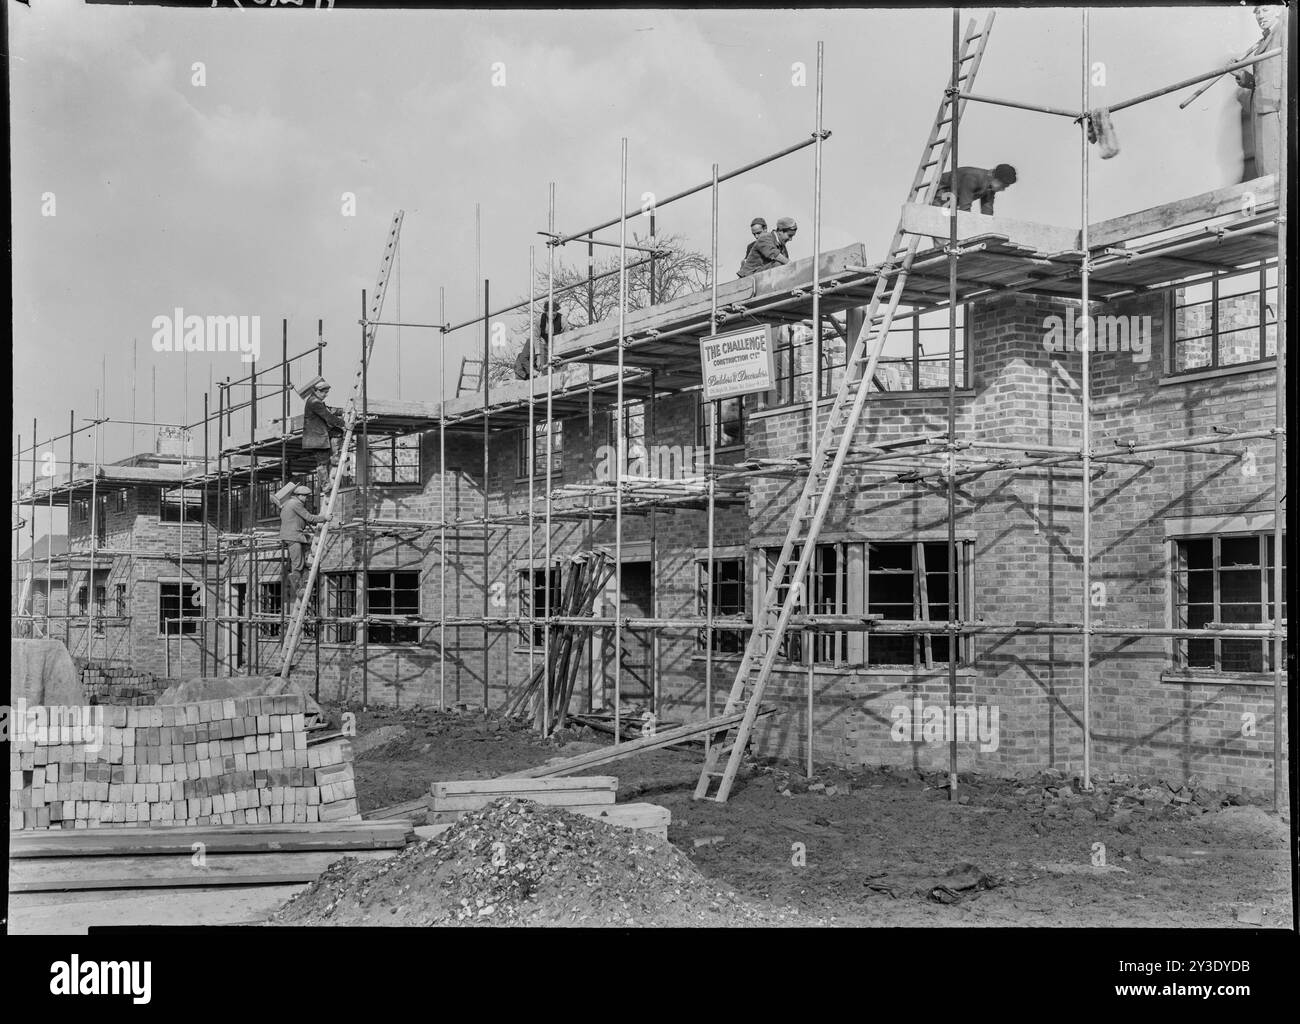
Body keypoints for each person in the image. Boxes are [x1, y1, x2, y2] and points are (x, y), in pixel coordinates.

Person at [1233, 5, 1287, 180]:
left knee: (1274, 168)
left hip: (1276, 107)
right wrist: (1241, 74)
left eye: (1265, 10)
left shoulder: (1286, 32)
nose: (1259, 15)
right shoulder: (1264, 41)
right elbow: (1265, 79)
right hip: (1262, 107)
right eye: (1256, 12)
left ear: (1279, 10)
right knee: (1265, 166)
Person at [278, 484, 328, 606]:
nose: (306, 498)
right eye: (304, 496)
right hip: (293, 536)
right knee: (297, 564)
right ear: (298, 495)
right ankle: (299, 590)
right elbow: (309, 517)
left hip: (296, 535)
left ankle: (306, 566)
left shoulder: (289, 503)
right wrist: (325, 518)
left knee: (308, 547)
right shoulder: (295, 504)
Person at [297, 375, 347, 492]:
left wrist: (341, 410)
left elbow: (329, 410)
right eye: (324, 393)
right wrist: (344, 423)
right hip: (317, 439)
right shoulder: (314, 402)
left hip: (320, 436)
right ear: (317, 391)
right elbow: (328, 416)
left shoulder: (316, 401)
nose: (325, 395)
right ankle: (325, 484)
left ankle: (335, 457)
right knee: (322, 462)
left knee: (338, 432)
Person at [932, 164, 1018, 214]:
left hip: (953, 201)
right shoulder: (973, 178)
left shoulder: (990, 187)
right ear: (996, 179)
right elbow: (965, 207)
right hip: (939, 196)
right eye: (1003, 186)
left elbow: (987, 210)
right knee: (943, 230)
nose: (1003, 189)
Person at [515, 300, 564, 379]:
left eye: (555, 311)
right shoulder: (531, 342)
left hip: (537, 374)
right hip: (523, 372)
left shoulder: (548, 346)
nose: (553, 313)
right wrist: (532, 371)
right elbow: (523, 359)